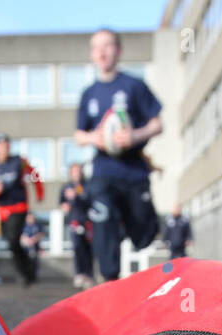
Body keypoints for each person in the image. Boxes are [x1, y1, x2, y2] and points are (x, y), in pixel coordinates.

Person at [73, 28, 163, 282]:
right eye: (96, 47)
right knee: (102, 218)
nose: (101, 52)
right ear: (92, 54)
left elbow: (158, 124)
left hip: (133, 171)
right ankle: (109, 281)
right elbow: (79, 134)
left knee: (143, 235)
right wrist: (95, 138)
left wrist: (135, 136)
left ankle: (130, 225)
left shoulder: (134, 86)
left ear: (118, 50)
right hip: (103, 173)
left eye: (107, 45)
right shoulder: (88, 94)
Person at [0, 133, 44, 286]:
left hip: (19, 208)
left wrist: (39, 192)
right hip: (3, 211)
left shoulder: (19, 162)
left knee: (14, 240)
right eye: (1, 146)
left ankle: (25, 274)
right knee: (12, 243)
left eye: (6, 145)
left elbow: (34, 174)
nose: (4, 149)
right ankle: (28, 270)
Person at [59, 162, 94, 288]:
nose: (77, 174)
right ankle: (79, 274)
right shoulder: (66, 186)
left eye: (79, 171)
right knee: (77, 247)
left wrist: (77, 196)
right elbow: (62, 201)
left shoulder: (87, 185)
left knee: (88, 249)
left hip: (88, 222)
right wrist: (64, 206)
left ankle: (89, 275)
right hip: (74, 221)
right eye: (74, 171)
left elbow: (89, 200)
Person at [20, 213, 43, 278]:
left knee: (34, 262)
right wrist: (26, 240)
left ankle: (34, 276)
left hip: (34, 247)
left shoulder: (37, 225)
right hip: (25, 247)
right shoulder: (23, 225)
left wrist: (33, 239)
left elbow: (40, 234)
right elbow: (21, 235)